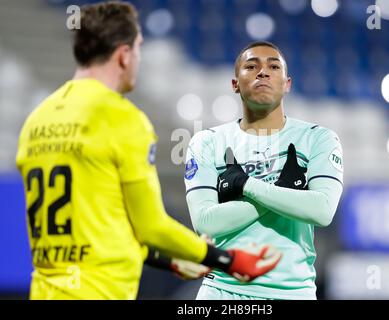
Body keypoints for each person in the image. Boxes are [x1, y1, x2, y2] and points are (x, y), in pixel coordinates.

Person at [15, 2, 281, 300]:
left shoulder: (37, 120)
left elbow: (99, 230)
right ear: (124, 55)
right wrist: (226, 260)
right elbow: (151, 226)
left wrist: (171, 259)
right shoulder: (120, 117)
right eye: (138, 47)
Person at [184, 41, 344, 300]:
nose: (263, 72)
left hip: (293, 292)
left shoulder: (318, 138)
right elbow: (206, 223)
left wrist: (247, 186)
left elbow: (322, 210)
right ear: (235, 84)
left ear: (287, 84)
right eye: (251, 66)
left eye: (273, 66)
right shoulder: (207, 141)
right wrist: (284, 191)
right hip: (223, 291)